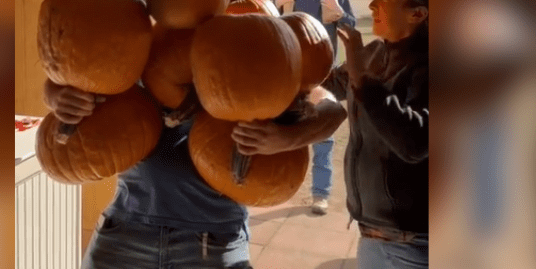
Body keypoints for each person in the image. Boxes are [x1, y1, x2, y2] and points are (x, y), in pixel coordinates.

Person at [43, 79, 347, 269]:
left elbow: (331, 109)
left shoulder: (242, 70)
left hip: (210, 244)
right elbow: (68, 74)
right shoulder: (139, 61)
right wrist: (56, 95)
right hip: (125, 233)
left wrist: (286, 139)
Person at [325, 0, 429, 268]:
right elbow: (328, 85)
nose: (371, 4)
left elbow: (415, 141)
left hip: (414, 246)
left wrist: (363, 81)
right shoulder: (375, 54)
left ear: (418, 14)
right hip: (374, 239)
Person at [272, 0, 356, 215]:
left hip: (324, 73)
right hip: (290, 71)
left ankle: (320, 194)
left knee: (323, 135)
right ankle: (281, 183)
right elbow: (271, 20)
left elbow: (351, 27)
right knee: (285, 130)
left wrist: (339, 13)